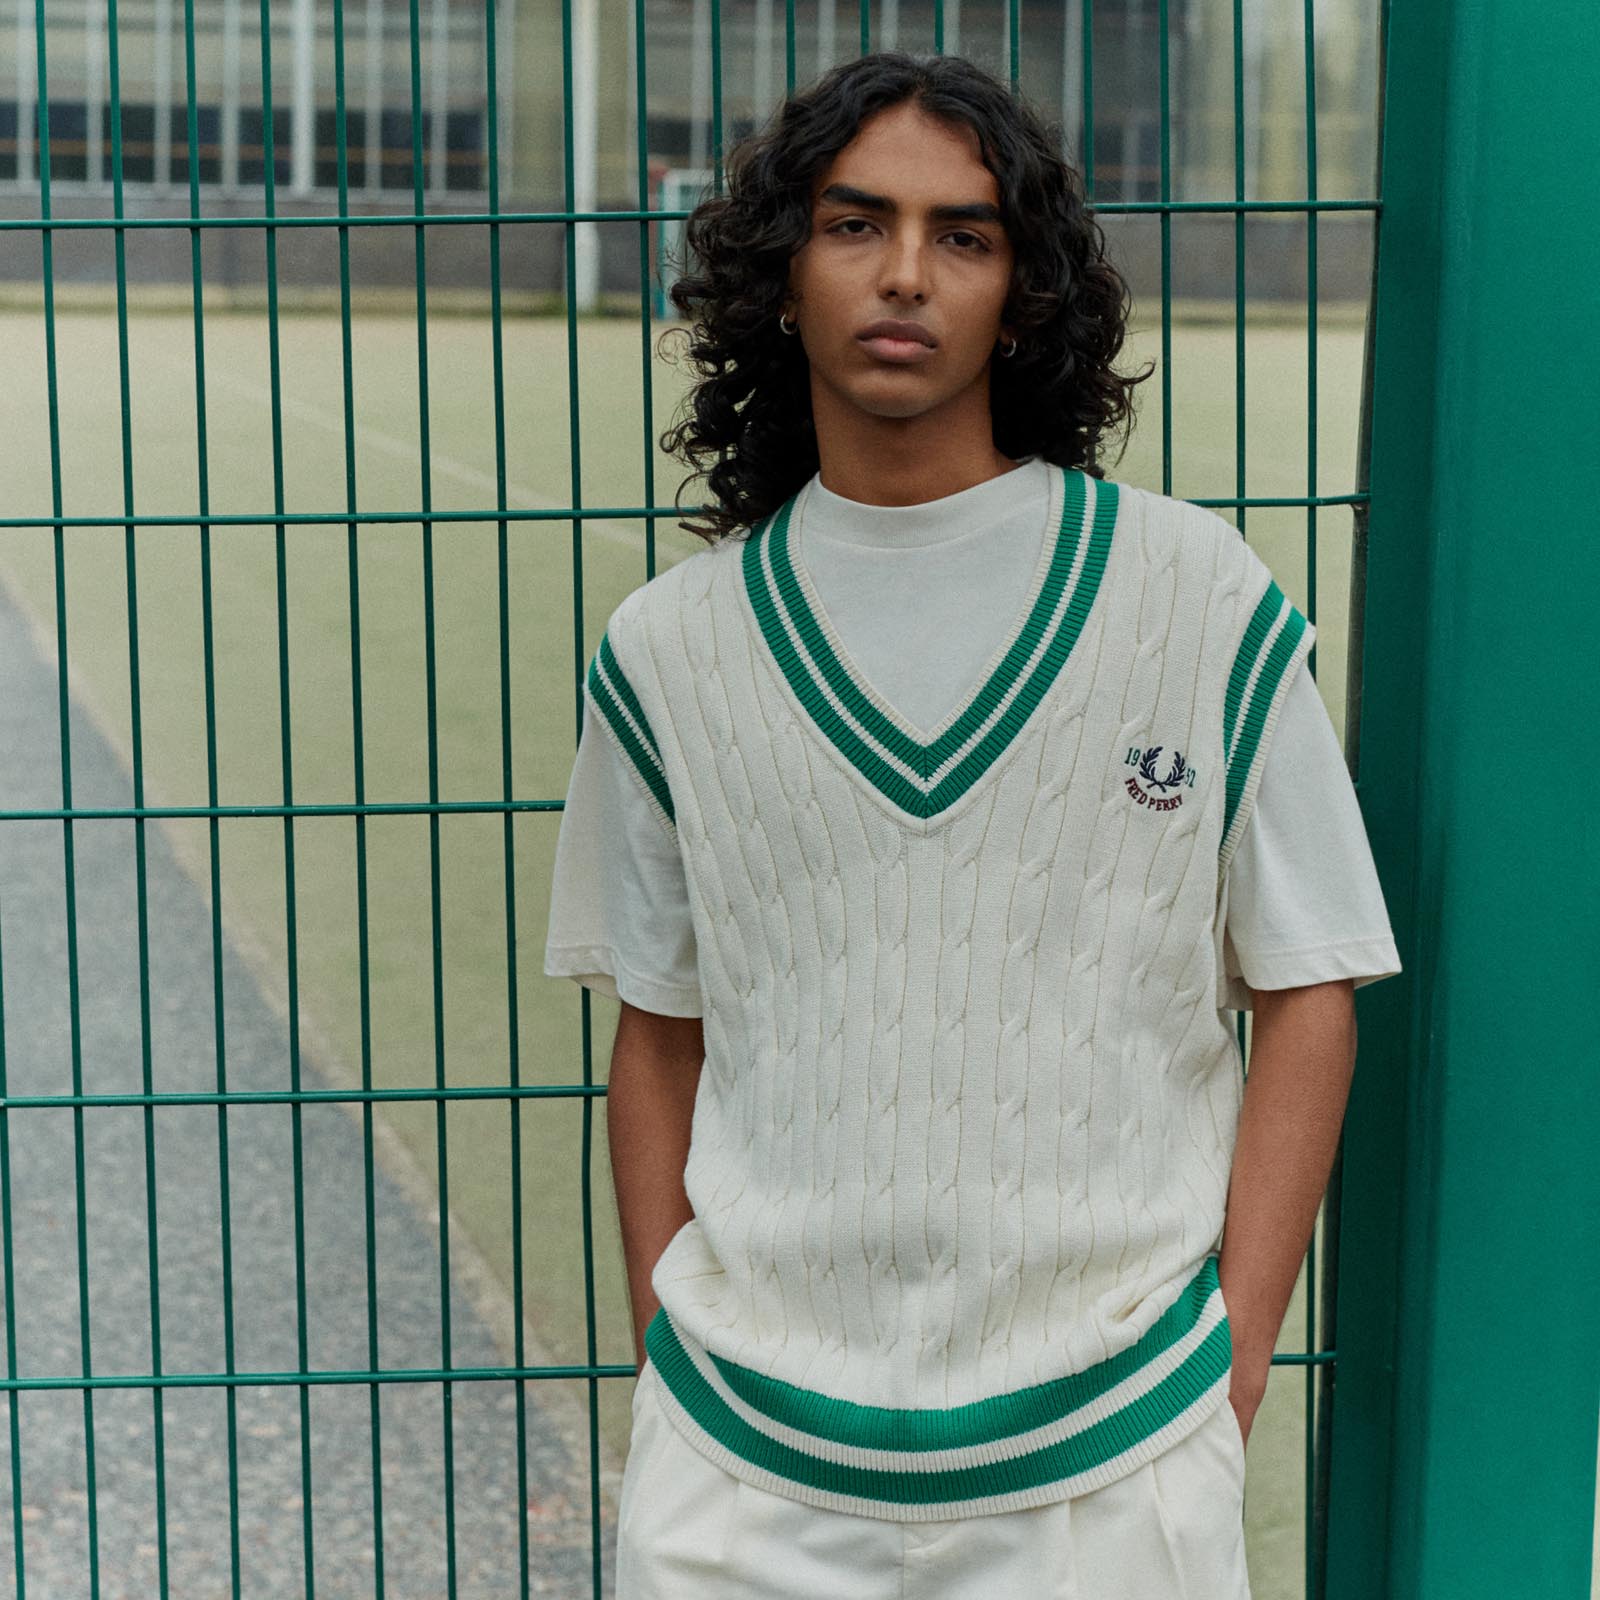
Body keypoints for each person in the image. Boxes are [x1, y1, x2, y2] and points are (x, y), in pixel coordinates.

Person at [544, 49, 1400, 1600]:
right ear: (781, 275)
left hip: (1113, 1468)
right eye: (854, 223)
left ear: (1022, 294)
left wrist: (1234, 1363)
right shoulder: (668, 651)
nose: (905, 274)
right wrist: (669, 1358)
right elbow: (657, 1035)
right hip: (740, 1483)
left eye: (964, 234)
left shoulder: (1197, 600)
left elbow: (1310, 986)